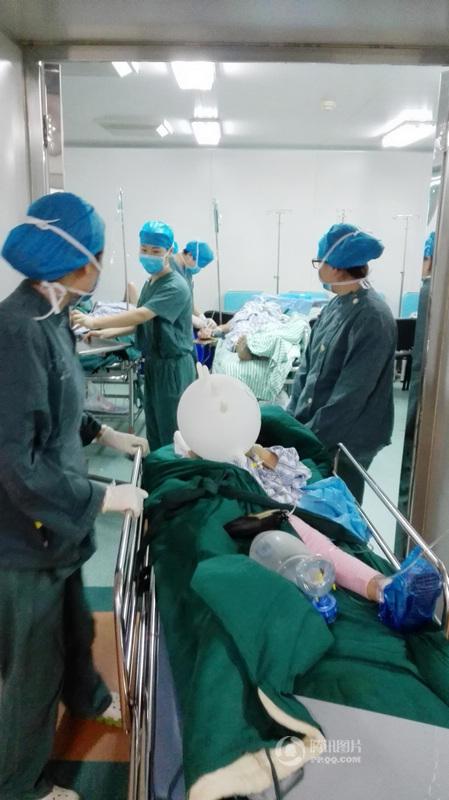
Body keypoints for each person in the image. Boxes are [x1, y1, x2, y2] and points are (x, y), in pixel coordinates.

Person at [0, 192, 148, 800]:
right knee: (31, 671)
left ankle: (86, 698)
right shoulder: (15, 332)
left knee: (74, 626)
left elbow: (58, 402)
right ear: (75, 258)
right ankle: (22, 784)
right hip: (23, 531)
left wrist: (101, 432)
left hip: (55, 524)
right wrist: (100, 498)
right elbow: (16, 461)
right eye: (101, 253)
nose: (104, 264)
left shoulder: (53, 313)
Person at [288, 223, 397, 502]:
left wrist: (309, 439)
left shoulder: (373, 318)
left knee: (339, 510)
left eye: (319, 262)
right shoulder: (334, 306)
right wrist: (291, 421)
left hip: (347, 439)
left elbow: (350, 395)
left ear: (336, 267)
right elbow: (308, 370)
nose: (318, 270)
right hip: (316, 429)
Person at [72, 220, 196, 451]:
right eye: (144, 249)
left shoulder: (176, 286)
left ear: (169, 251)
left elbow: (140, 314)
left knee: (173, 433)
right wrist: (102, 333)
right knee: (155, 427)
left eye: (155, 251)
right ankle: (156, 474)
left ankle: (172, 479)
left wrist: (94, 320)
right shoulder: (151, 282)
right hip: (154, 365)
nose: (148, 255)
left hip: (173, 368)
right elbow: (141, 323)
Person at [169, 240, 215, 330]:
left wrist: (203, 318)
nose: (199, 268)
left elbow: (189, 305)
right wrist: (192, 319)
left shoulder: (187, 272)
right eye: (199, 264)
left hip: (183, 330)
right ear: (190, 255)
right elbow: (167, 305)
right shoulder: (168, 269)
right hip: (169, 327)